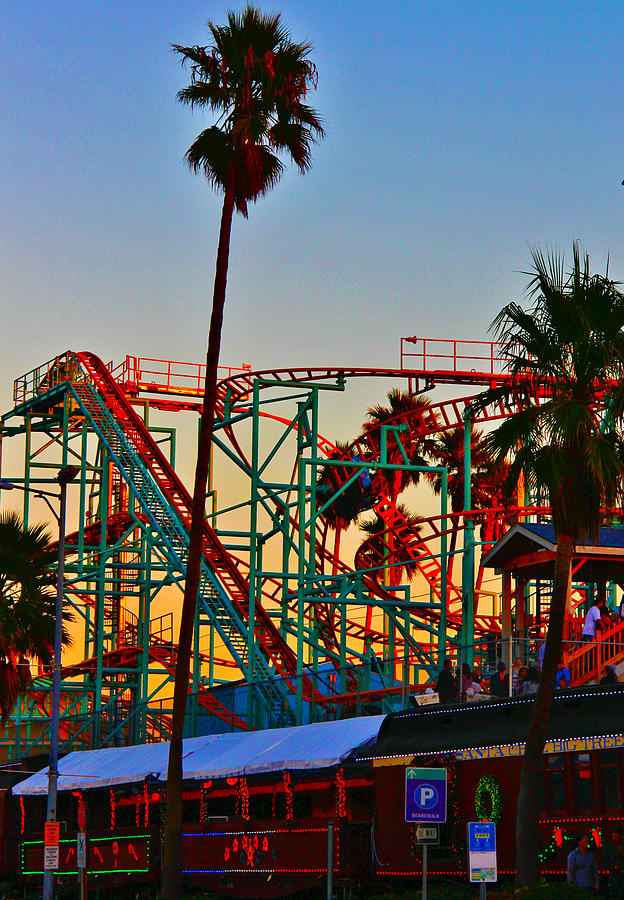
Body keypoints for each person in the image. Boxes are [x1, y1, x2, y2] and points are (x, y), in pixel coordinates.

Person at [604, 826, 624, 898]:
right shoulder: (610, 847)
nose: (614, 838)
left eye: (616, 836)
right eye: (613, 836)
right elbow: (605, 862)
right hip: (614, 877)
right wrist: (613, 867)